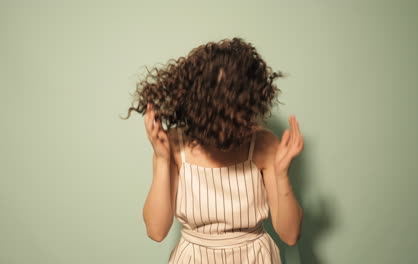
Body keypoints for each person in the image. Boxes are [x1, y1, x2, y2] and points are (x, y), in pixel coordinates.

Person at [124, 37, 304, 263]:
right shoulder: (174, 144)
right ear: (198, 105)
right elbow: (156, 231)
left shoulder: (263, 143)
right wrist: (162, 159)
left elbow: (290, 235)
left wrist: (281, 174)